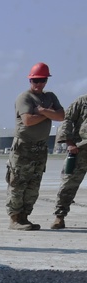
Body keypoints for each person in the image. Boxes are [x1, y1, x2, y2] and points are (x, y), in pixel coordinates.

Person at [6, 63, 64, 231]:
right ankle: (15, 218)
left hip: (40, 147)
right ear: (30, 80)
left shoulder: (50, 96)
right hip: (23, 146)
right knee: (18, 183)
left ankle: (25, 217)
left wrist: (42, 111)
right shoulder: (25, 97)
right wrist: (48, 114)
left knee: (33, 185)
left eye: (42, 80)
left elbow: (61, 116)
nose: (38, 84)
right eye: (35, 80)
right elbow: (27, 121)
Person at [51, 91, 87, 229]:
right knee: (68, 184)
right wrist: (69, 143)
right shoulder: (82, 101)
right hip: (80, 149)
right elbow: (67, 120)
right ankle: (59, 216)